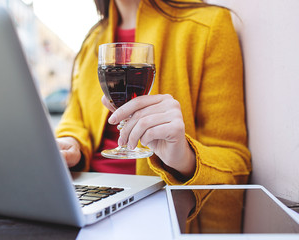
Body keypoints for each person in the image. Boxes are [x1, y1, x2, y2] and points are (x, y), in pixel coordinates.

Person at [55, 0, 252, 185]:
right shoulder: (92, 41)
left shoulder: (208, 26)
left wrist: (184, 157)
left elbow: (235, 163)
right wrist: (71, 145)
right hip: (85, 191)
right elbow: (74, 120)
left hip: (160, 203)